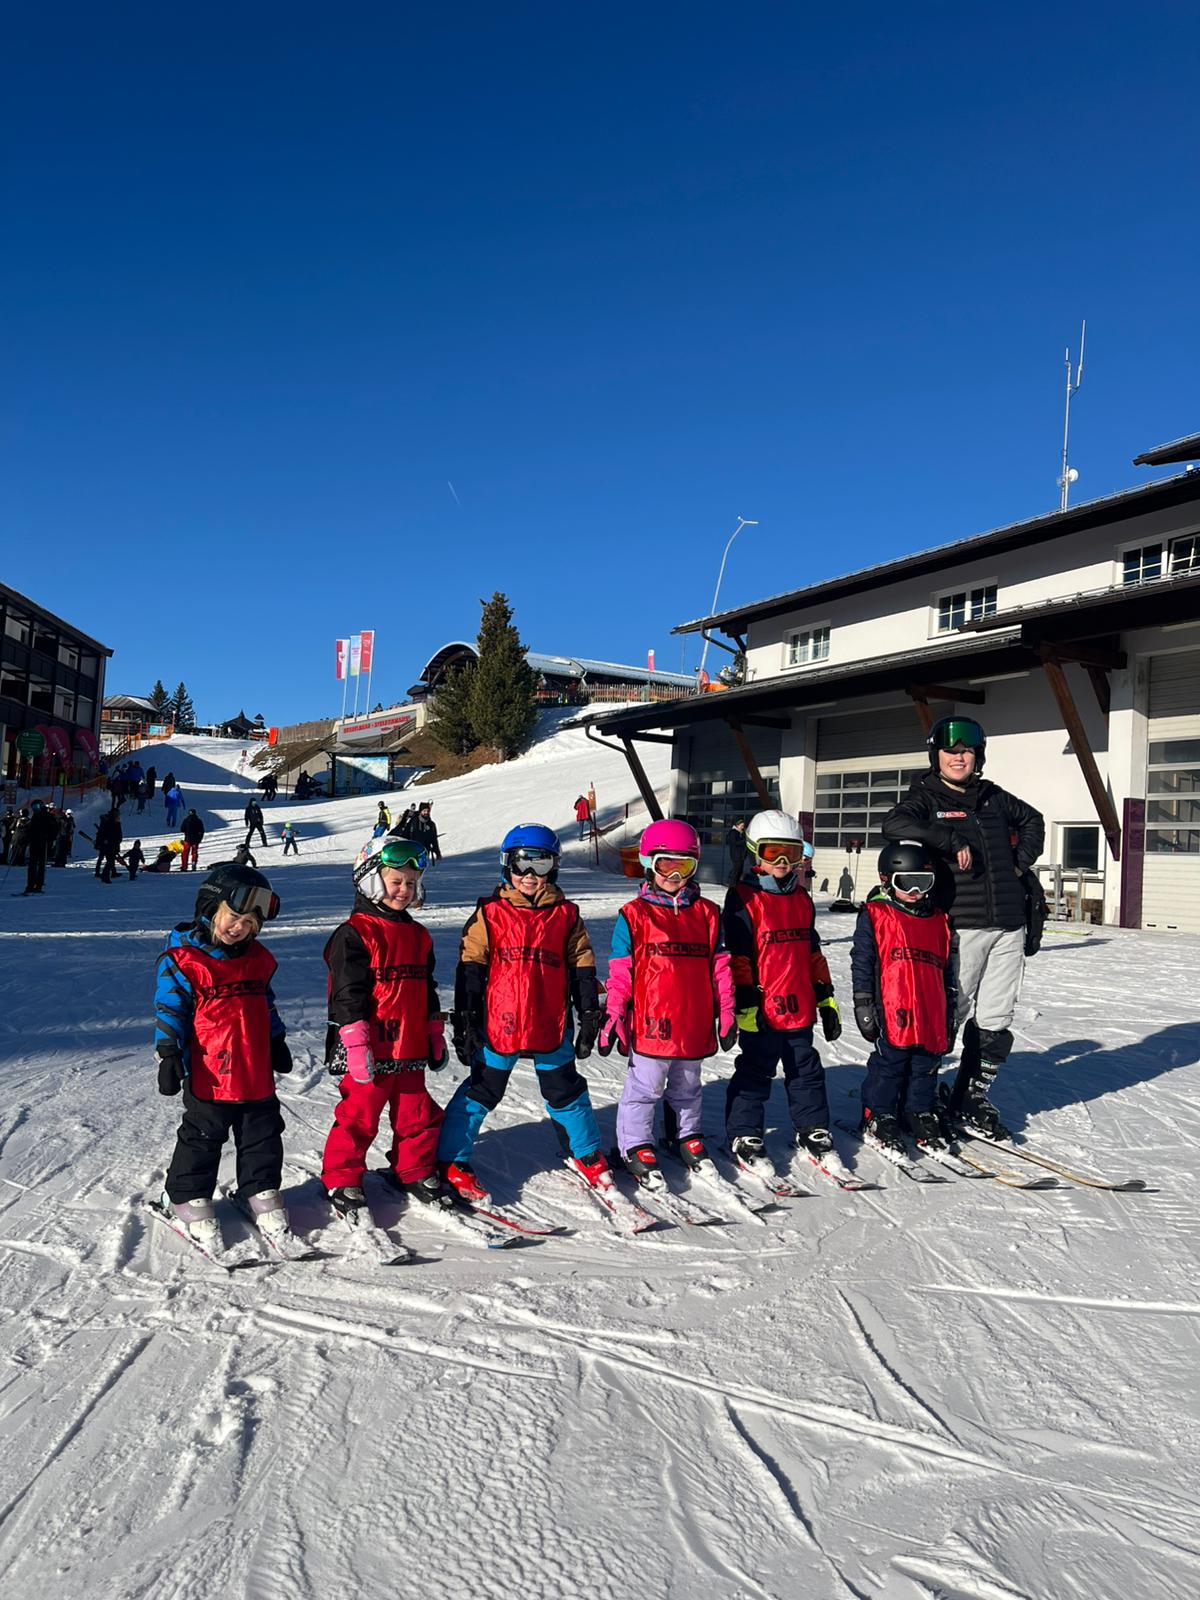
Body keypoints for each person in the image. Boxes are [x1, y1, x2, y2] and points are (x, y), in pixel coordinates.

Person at [881, 716, 1044, 1139]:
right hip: (960, 926)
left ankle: (970, 1095)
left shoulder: (993, 797)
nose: (959, 758)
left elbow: (1034, 820)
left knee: (996, 1016)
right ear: (935, 756)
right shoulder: (925, 797)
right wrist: (949, 840)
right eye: (950, 751)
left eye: (967, 751)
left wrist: (1018, 864)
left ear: (978, 756)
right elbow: (893, 825)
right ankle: (918, 1094)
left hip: (1009, 924)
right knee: (949, 1012)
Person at [435, 824, 610, 1199]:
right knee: (483, 1089)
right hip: (502, 1022)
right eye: (521, 864)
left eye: (540, 864)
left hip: (550, 1022)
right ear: (506, 866)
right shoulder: (490, 913)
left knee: (565, 1089)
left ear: (554, 867)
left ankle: (585, 1152)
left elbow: (581, 966)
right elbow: (471, 968)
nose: (529, 875)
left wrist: (588, 1012)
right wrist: (466, 1018)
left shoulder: (566, 916)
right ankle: (452, 1157)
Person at [153, 864, 294, 1252]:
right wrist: (168, 1053)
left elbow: (265, 1004)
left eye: (250, 923)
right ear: (210, 908)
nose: (240, 927)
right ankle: (186, 1196)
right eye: (234, 917)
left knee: (263, 1134)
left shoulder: (257, 959)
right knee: (202, 1136)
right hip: (211, 1073)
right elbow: (170, 1010)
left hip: (255, 1070)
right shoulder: (184, 961)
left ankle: (260, 1189)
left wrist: (277, 1039)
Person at [599, 819, 735, 1185]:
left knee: (688, 1086)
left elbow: (720, 967)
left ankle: (685, 1135)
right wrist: (615, 1013)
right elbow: (621, 971)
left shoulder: (708, 914)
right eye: (665, 865)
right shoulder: (634, 915)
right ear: (649, 863)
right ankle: (634, 1143)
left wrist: (726, 1009)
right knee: (644, 1088)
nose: (674, 875)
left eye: (683, 866)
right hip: (652, 1021)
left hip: (693, 1020)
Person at [320, 837, 449, 1218]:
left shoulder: (419, 935)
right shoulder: (355, 933)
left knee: (417, 1113)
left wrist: (433, 1030)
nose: (404, 890)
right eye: (396, 881)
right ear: (371, 881)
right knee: (359, 1115)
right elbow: (347, 993)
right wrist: (355, 1044)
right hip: (369, 1047)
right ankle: (342, 1176)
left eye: (411, 883)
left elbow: (426, 987)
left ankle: (414, 1168)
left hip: (409, 1044)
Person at [723, 809, 843, 1176]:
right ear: (755, 852)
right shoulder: (744, 898)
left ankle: (812, 1127)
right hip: (763, 1008)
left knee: (806, 1071)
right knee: (755, 1070)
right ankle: (744, 1132)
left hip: (799, 1006)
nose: (782, 862)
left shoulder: (802, 899)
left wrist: (826, 999)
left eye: (790, 853)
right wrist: (745, 1002)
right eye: (772, 852)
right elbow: (739, 956)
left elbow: (812, 953)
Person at [851, 841, 957, 1154]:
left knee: (926, 1063)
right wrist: (863, 1001)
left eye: (922, 883)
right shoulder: (877, 915)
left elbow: (948, 970)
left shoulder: (939, 920)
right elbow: (863, 961)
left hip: (931, 1005)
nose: (914, 891)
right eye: (906, 883)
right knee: (891, 1063)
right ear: (887, 880)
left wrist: (950, 1008)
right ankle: (878, 1113)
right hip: (893, 1004)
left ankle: (917, 1110)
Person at [21, 800, 57, 895]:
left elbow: (54, 830)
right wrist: (26, 838)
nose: (35, 809)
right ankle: (30, 885)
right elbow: (31, 829)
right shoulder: (35, 816)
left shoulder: (48, 816)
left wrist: (49, 839)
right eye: (33, 807)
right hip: (34, 842)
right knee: (32, 865)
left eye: (36, 807)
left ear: (41, 806)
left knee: (41, 865)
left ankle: (38, 885)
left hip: (43, 843)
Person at [95, 807, 123, 883]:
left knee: (110, 861)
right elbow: (103, 833)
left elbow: (118, 834)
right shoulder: (109, 822)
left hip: (111, 844)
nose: (118, 815)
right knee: (109, 861)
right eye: (117, 814)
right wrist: (100, 842)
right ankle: (104, 875)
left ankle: (108, 874)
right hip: (109, 845)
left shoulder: (113, 822)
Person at [726, 818, 747, 887]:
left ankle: (737, 885)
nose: (743, 827)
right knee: (736, 870)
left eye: (743, 826)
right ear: (737, 825)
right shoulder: (733, 832)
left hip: (741, 855)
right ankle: (732, 885)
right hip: (736, 855)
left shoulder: (742, 833)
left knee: (740, 870)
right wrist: (744, 841)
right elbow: (734, 843)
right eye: (741, 825)